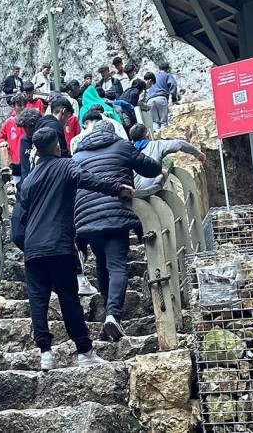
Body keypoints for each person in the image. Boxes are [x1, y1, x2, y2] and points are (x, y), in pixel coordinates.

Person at [13, 127, 133, 370]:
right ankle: (84, 351)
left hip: (33, 249)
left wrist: (27, 246)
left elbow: (17, 223)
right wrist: (118, 188)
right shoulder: (66, 166)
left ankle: (45, 352)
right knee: (69, 300)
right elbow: (89, 179)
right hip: (59, 245)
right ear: (57, 146)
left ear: (36, 150)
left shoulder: (27, 181)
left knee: (38, 302)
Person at [72, 122, 162, 342]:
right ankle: (113, 315)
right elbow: (150, 168)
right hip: (116, 213)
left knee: (101, 261)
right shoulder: (122, 146)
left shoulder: (77, 156)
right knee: (117, 265)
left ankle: (108, 308)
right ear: (112, 133)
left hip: (86, 218)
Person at [129, 124, 206, 191]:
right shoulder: (157, 145)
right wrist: (198, 154)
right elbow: (180, 144)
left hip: (135, 192)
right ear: (147, 134)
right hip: (152, 189)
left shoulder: (128, 151)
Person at [0, 93, 27, 183]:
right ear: (13, 106)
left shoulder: (30, 120)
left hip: (28, 161)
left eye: (24, 105)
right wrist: (2, 142)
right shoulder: (9, 123)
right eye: (19, 105)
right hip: (15, 163)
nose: (23, 107)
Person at [146, 63, 179, 130]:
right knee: (163, 122)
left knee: (154, 122)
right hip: (161, 98)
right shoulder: (167, 75)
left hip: (150, 100)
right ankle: (164, 135)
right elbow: (173, 84)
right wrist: (174, 99)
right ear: (168, 69)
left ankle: (156, 135)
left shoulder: (153, 76)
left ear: (159, 68)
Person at [16, 108, 43, 182]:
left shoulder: (43, 139)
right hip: (27, 180)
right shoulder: (24, 141)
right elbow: (24, 166)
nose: (28, 130)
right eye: (25, 127)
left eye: (31, 127)